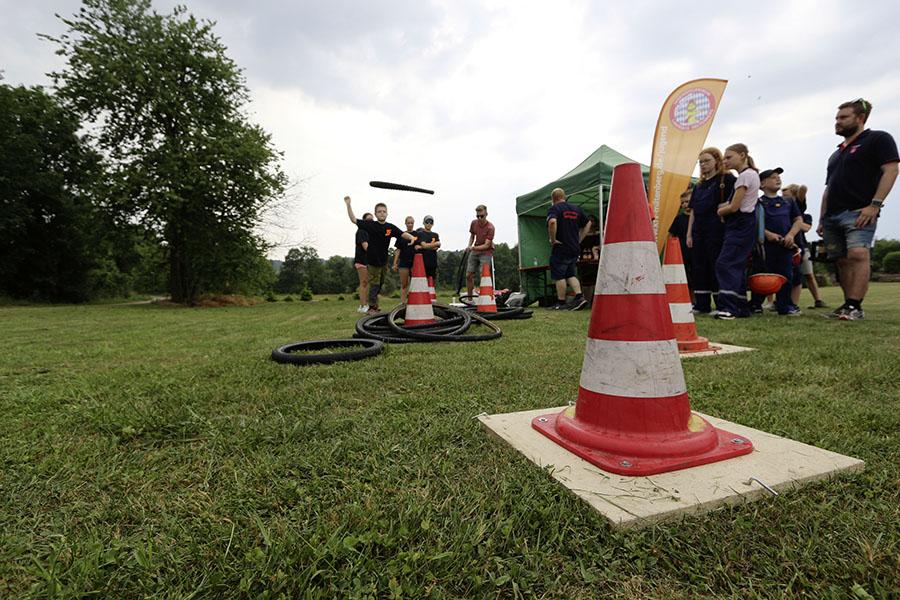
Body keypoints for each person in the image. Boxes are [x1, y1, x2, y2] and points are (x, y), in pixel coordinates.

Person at [818, 98, 898, 320]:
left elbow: (891, 170)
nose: (837, 122)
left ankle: (855, 306)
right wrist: (822, 219)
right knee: (841, 260)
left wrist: (874, 205)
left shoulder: (878, 139)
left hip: (859, 210)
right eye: (836, 118)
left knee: (858, 254)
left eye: (844, 117)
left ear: (860, 118)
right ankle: (847, 305)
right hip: (833, 215)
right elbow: (828, 188)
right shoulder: (836, 154)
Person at [344, 196, 416, 314]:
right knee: (374, 284)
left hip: (383, 261)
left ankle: (374, 305)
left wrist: (411, 237)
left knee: (380, 284)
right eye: (379, 212)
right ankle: (372, 307)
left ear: (387, 213)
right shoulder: (370, 225)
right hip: (372, 261)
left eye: (384, 211)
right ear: (375, 214)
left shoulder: (390, 227)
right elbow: (353, 219)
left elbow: (402, 234)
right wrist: (348, 204)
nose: (382, 213)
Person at [714, 143, 760, 320]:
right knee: (737, 264)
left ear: (742, 155)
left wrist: (720, 211)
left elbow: (734, 206)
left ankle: (728, 307)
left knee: (726, 263)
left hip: (740, 223)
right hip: (745, 224)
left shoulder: (744, 177)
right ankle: (740, 305)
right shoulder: (750, 175)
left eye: (728, 157)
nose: (725, 161)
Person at [749, 168, 803, 316]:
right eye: (773, 177)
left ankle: (785, 306)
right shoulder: (757, 203)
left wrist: (791, 235)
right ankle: (755, 304)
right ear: (762, 184)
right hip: (764, 247)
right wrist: (767, 234)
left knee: (786, 275)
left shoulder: (788, 201)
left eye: (778, 177)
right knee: (761, 275)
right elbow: (752, 222)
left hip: (785, 246)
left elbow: (798, 220)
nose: (777, 179)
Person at [687, 147, 735, 314]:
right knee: (699, 266)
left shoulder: (726, 179)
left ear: (717, 160)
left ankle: (721, 304)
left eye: (707, 161)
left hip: (717, 229)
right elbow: (692, 211)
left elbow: (734, 202)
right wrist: (689, 234)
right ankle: (701, 304)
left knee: (716, 264)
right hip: (699, 230)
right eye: (700, 162)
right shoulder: (698, 186)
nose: (703, 165)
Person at [546, 188, 591, 310]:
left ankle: (561, 303)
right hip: (574, 247)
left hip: (561, 247)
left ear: (553, 199)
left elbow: (552, 223)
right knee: (570, 273)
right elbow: (588, 223)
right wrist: (579, 239)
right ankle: (579, 298)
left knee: (559, 275)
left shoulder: (554, 208)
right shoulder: (576, 209)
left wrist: (553, 239)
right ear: (564, 197)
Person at [783, 184, 826, 309]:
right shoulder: (783, 211)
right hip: (786, 246)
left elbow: (806, 228)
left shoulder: (801, 212)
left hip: (802, 247)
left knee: (808, 274)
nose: (784, 198)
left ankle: (818, 300)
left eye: (787, 195)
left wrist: (796, 223)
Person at [668, 186, 694, 304]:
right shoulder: (678, 219)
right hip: (682, 253)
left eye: (687, 201)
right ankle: (689, 300)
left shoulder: (699, 219)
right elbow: (671, 235)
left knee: (696, 277)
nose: (685, 204)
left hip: (696, 252)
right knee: (686, 277)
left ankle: (698, 300)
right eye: (682, 202)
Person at [466, 205, 495, 298]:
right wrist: (469, 245)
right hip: (475, 249)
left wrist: (473, 248)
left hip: (486, 252)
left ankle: (485, 298)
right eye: (477, 216)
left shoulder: (490, 228)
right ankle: (470, 298)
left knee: (484, 274)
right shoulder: (474, 223)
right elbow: (472, 236)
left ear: (486, 214)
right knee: (468, 274)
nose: (479, 218)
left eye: (481, 216)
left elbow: (486, 245)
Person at [392, 216, 416, 304]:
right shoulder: (401, 235)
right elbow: (398, 250)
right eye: (408, 223)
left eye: (412, 223)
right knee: (404, 284)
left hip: (415, 263)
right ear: (405, 223)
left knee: (415, 284)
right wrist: (395, 263)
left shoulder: (417, 234)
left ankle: (414, 301)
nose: (410, 224)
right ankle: (402, 302)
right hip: (403, 262)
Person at [353, 212, 374, 313]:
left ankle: (365, 304)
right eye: (368, 220)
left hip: (367, 261)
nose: (371, 222)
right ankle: (363, 305)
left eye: (372, 220)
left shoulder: (370, 233)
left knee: (366, 283)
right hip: (361, 261)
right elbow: (366, 247)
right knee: (363, 283)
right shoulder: (362, 231)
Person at [415, 214, 441, 284]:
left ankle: (432, 294)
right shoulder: (420, 234)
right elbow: (426, 245)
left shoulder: (435, 235)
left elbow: (438, 246)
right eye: (427, 222)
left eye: (431, 222)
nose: (429, 224)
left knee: (432, 281)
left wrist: (422, 247)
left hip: (432, 262)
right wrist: (432, 245)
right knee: (423, 282)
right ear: (423, 223)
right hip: (423, 262)